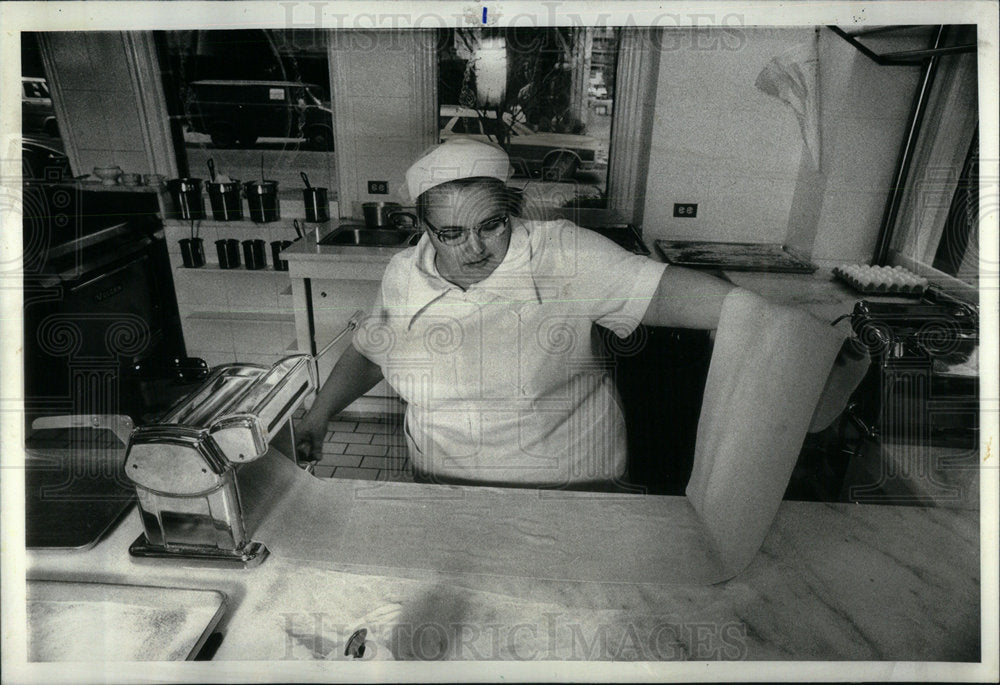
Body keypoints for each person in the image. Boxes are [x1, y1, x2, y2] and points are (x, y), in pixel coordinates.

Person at [295, 138, 735, 488]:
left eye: (491, 225)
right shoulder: (403, 273)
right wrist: (318, 416)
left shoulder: (562, 252)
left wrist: (762, 320)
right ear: (422, 228)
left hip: (570, 482)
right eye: (451, 233)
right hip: (440, 479)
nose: (475, 248)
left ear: (512, 210)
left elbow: (663, 295)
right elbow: (375, 352)